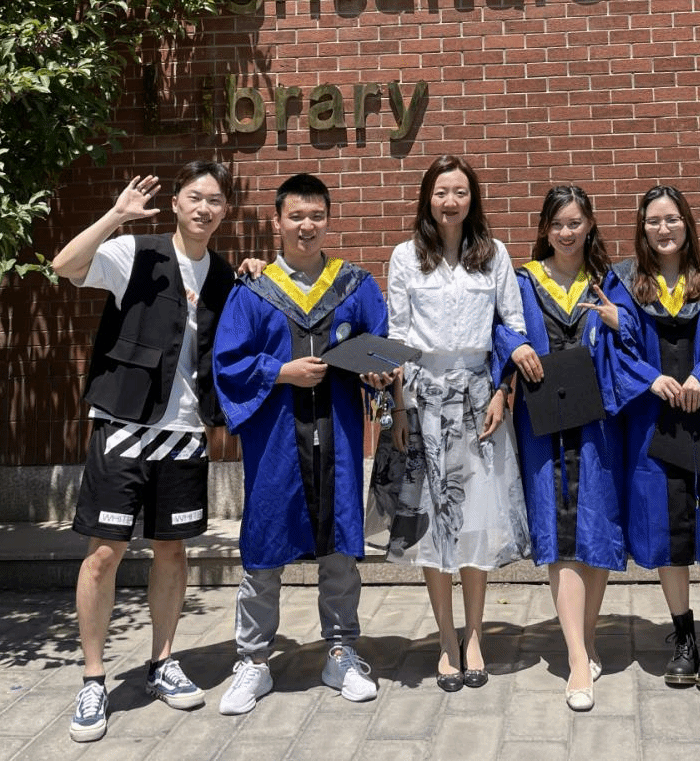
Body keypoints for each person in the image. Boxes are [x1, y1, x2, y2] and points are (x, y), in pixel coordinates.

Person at [51, 161, 235, 743]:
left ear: (225, 211)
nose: (204, 208)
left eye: (215, 200)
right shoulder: (138, 252)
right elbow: (64, 266)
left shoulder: (224, 274)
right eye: (194, 197)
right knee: (103, 555)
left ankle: (162, 662)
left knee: (172, 551)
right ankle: (93, 679)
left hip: (185, 432)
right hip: (124, 425)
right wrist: (115, 216)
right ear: (176, 203)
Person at [212, 173, 387, 713]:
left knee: (340, 550)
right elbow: (228, 363)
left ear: (328, 220)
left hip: (337, 439)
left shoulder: (354, 285)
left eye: (316, 216)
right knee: (265, 548)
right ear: (277, 221)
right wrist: (280, 371)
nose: (306, 226)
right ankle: (254, 660)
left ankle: (340, 651)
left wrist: (380, 373)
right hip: (276, 445)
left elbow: (379, 347)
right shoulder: (253, 290)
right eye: (296, 216)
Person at [384, 154, 539, 692]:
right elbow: (397, 336)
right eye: (441, 192)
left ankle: (474, 635)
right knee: (431, 524)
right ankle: (445, 638)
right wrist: (398, 408)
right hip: (424, 400)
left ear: (473, 200)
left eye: (460, 192)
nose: (450, 202)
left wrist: (502, 391)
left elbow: (511, 327)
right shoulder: (405, 256)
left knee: (474, 520)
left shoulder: (493, 255)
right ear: (427, 199)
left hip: (479, 400)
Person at [602, 185, 700, 691]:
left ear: (687, 223)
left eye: (672, 219)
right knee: (665, 524)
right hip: (655, 418)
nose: (663, 229)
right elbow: (615, 347)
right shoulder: (625, 281)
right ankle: (683, 635)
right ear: (641, 228)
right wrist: (650, 378)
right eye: (653, 221)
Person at [494, 185, 626, 711]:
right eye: (557, 224)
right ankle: (575, 658)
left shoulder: (609, 281)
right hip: (544, 421)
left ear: (589, 224)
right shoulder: (523, 281)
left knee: (596, 526)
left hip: (598, 421)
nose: (566, 232)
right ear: (544, 230)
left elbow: (639, 339)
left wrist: (620, 322)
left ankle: (587, 639)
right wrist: (516, 346)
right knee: (557, 528)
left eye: (575, 222)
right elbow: (501, 325)